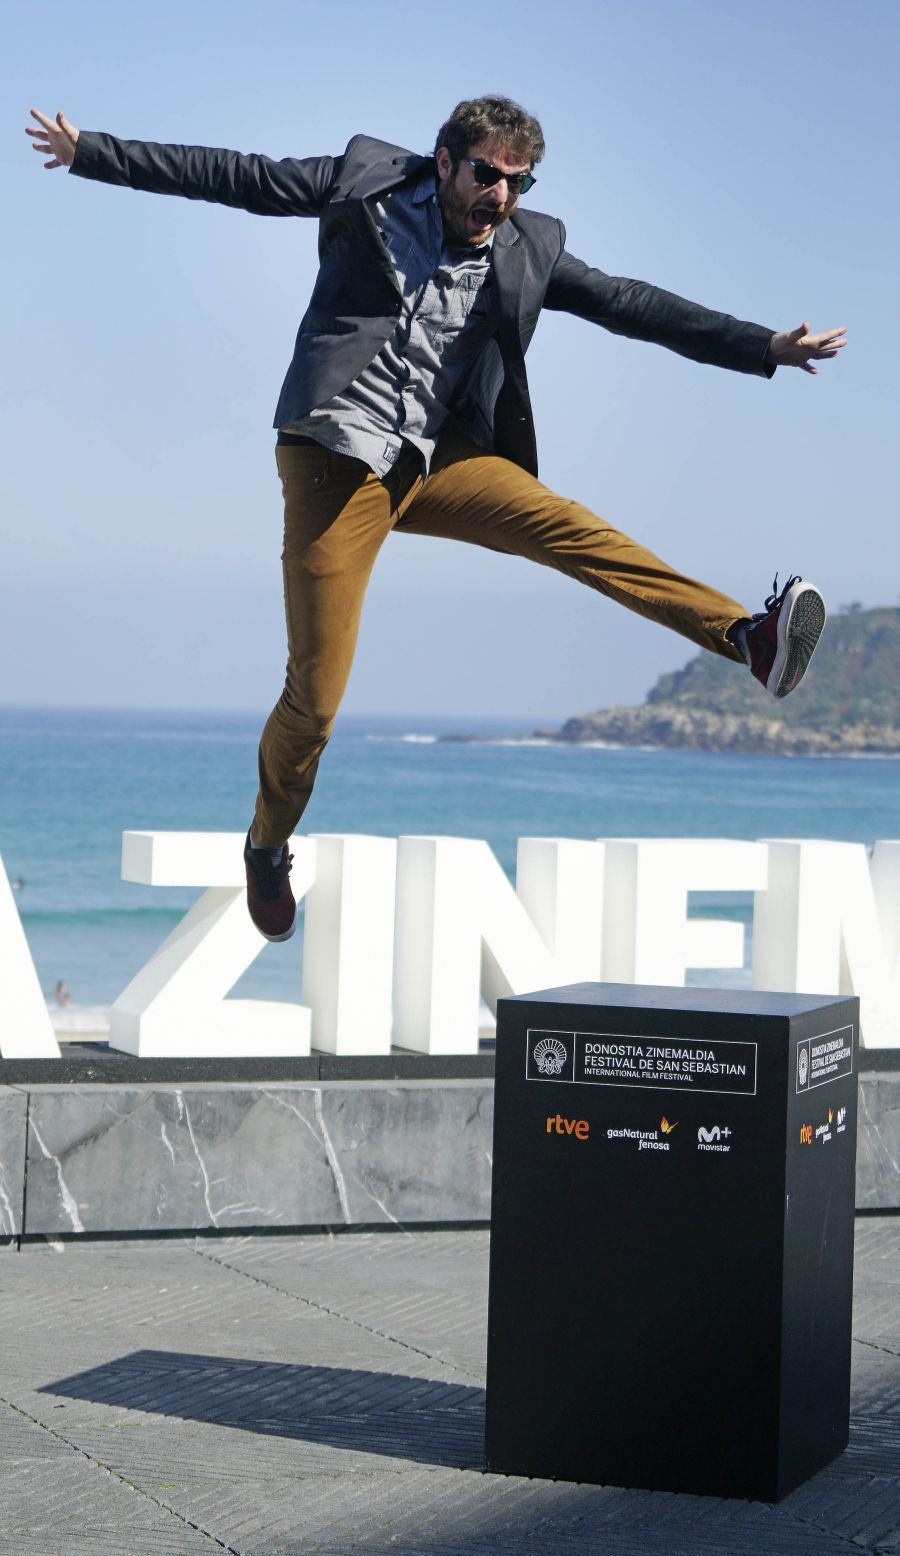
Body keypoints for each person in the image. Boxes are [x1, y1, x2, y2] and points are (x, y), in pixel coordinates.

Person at [27, 97, 846, 944]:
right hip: (336, 459)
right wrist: (93, 152)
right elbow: (238, 177)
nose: (501, 196)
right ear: (446, 161)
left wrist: (762, 346)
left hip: (433, 460)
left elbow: (629, 302)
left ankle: (748, 638)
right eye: (488, 175)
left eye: (519, 182)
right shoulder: (364, 183)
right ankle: (267, 843)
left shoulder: (527, 246)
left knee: (568, 528)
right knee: (316, 697)